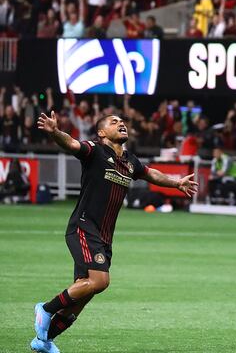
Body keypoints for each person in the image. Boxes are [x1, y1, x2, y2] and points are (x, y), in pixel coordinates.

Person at [31, 112, 198, 352]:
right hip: (83, 227)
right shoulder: (94, 151)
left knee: (83, 295)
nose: (121, 123)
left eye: (122, 121)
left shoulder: (130, 161)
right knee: (100, 281)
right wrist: (55, 132)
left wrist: (177, 182)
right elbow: (71, 143)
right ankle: (45, 309)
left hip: (104, 237)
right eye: (113, 121)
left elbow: (150, 173)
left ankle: (43, 341)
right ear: (101, 133)